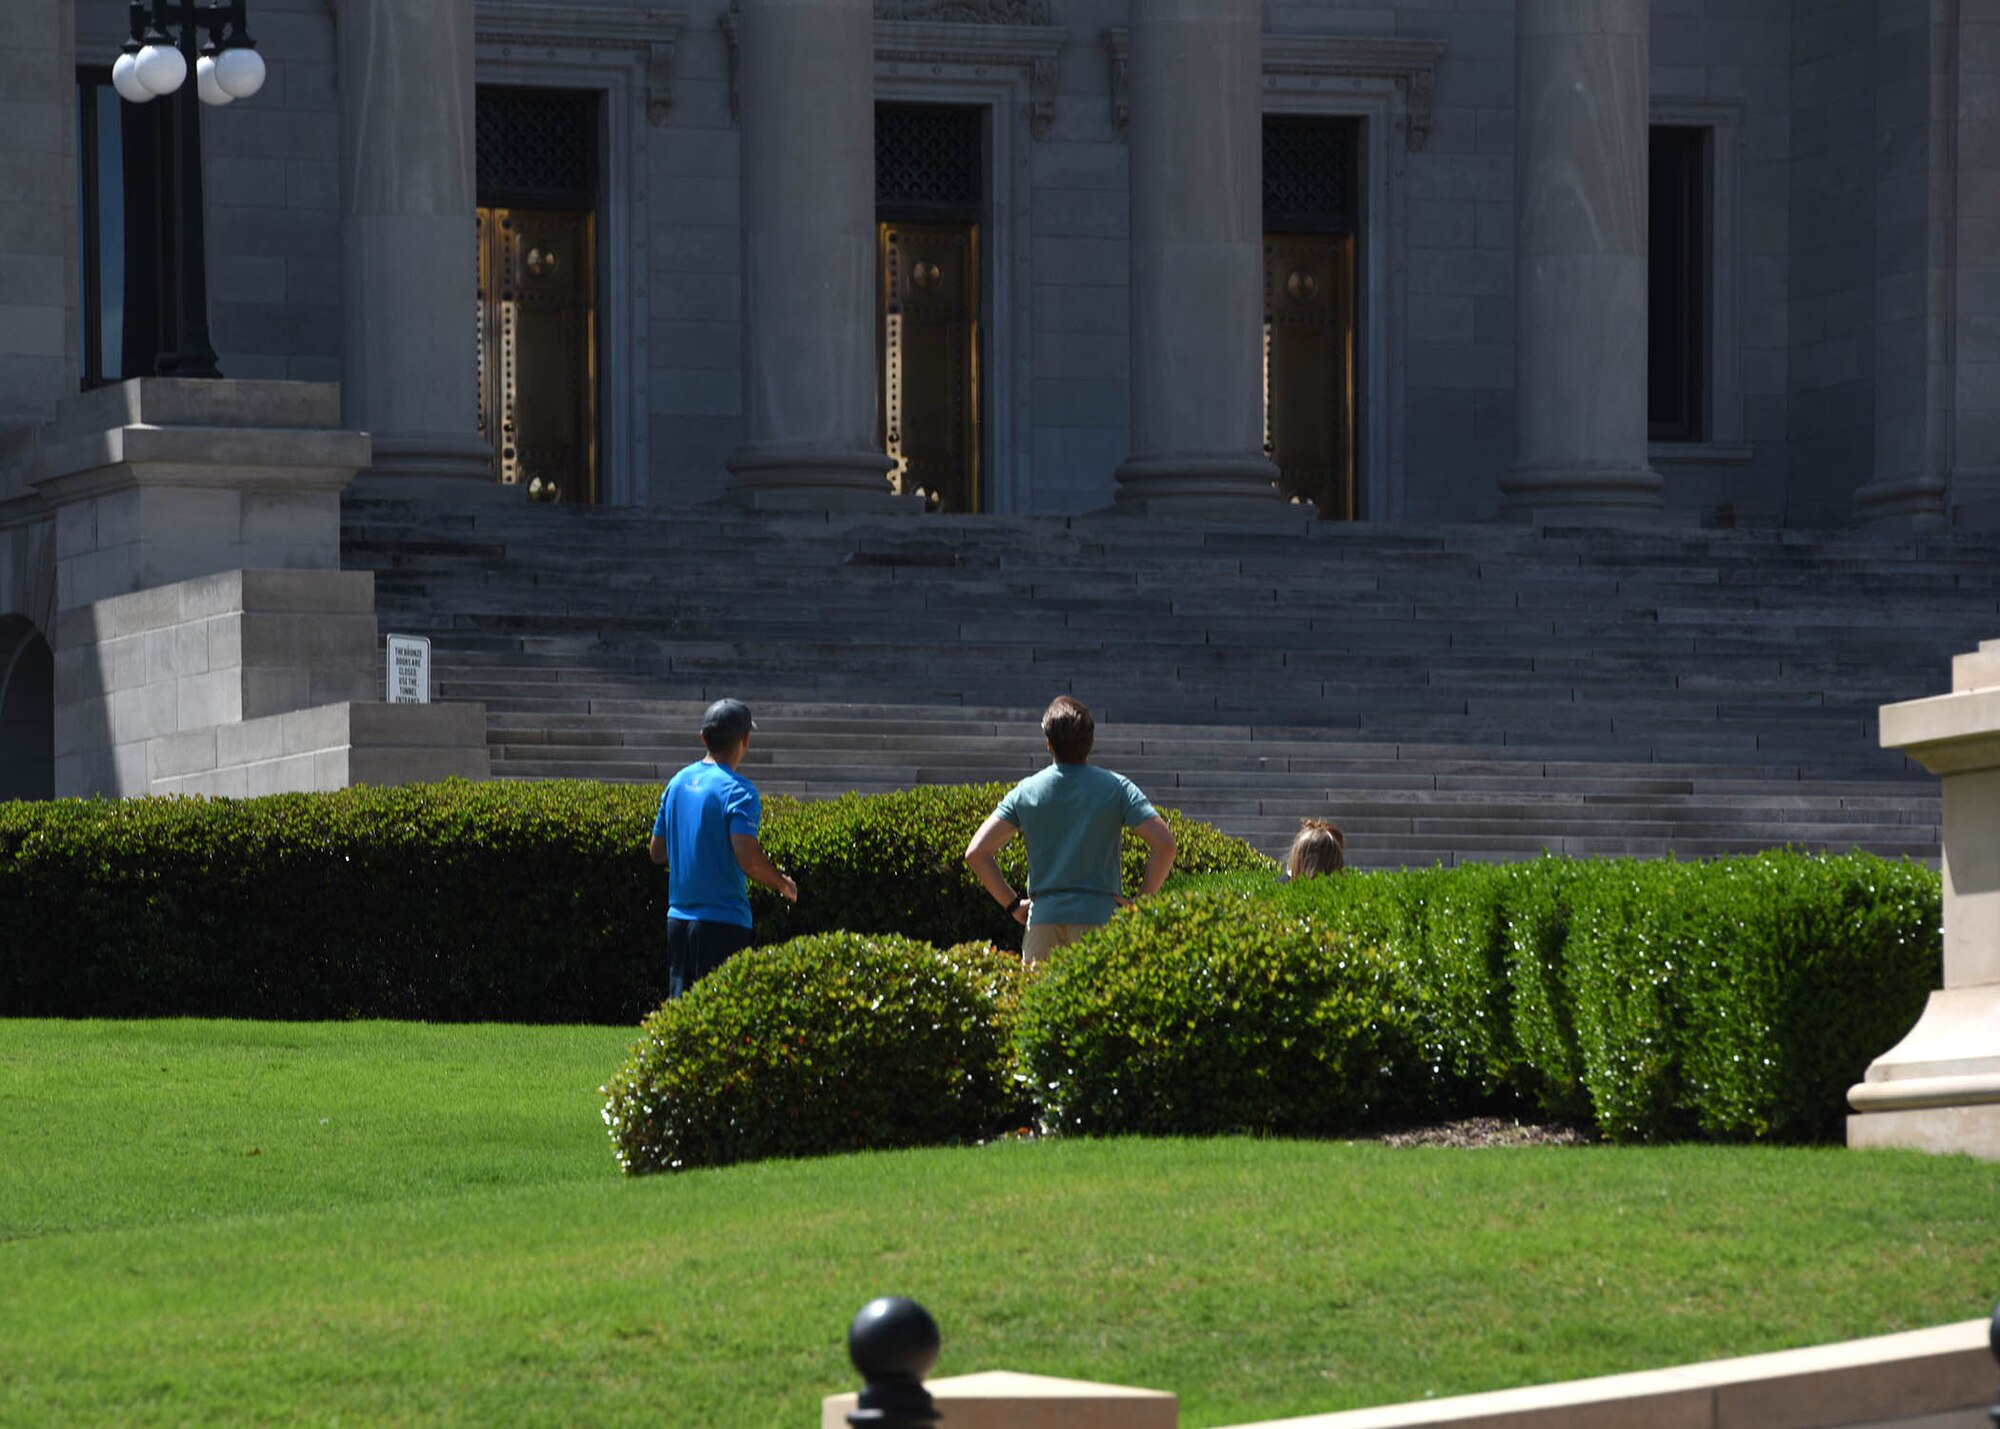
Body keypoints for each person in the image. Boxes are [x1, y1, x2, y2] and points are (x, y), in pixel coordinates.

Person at [964, 695, 1177, 964]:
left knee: (1039, 1003)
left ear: (1048, 743)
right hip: (1099, 920)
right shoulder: (1117, 788)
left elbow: (976, 852)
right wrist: (1142, 902)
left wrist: (1013, 904)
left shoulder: (1026, 791)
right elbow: (1166, 845)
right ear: (1090, 742)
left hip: (1043, 920)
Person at [648, 698, 797, 997]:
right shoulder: (739, 791)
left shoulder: (676, 783)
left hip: (677, 920)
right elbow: (747, 857)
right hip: (724, 923)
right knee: (722, 1014)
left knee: (684, 1019)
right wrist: (782, 883)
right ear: (745, 740)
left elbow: (657, 853)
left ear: (704, 738)